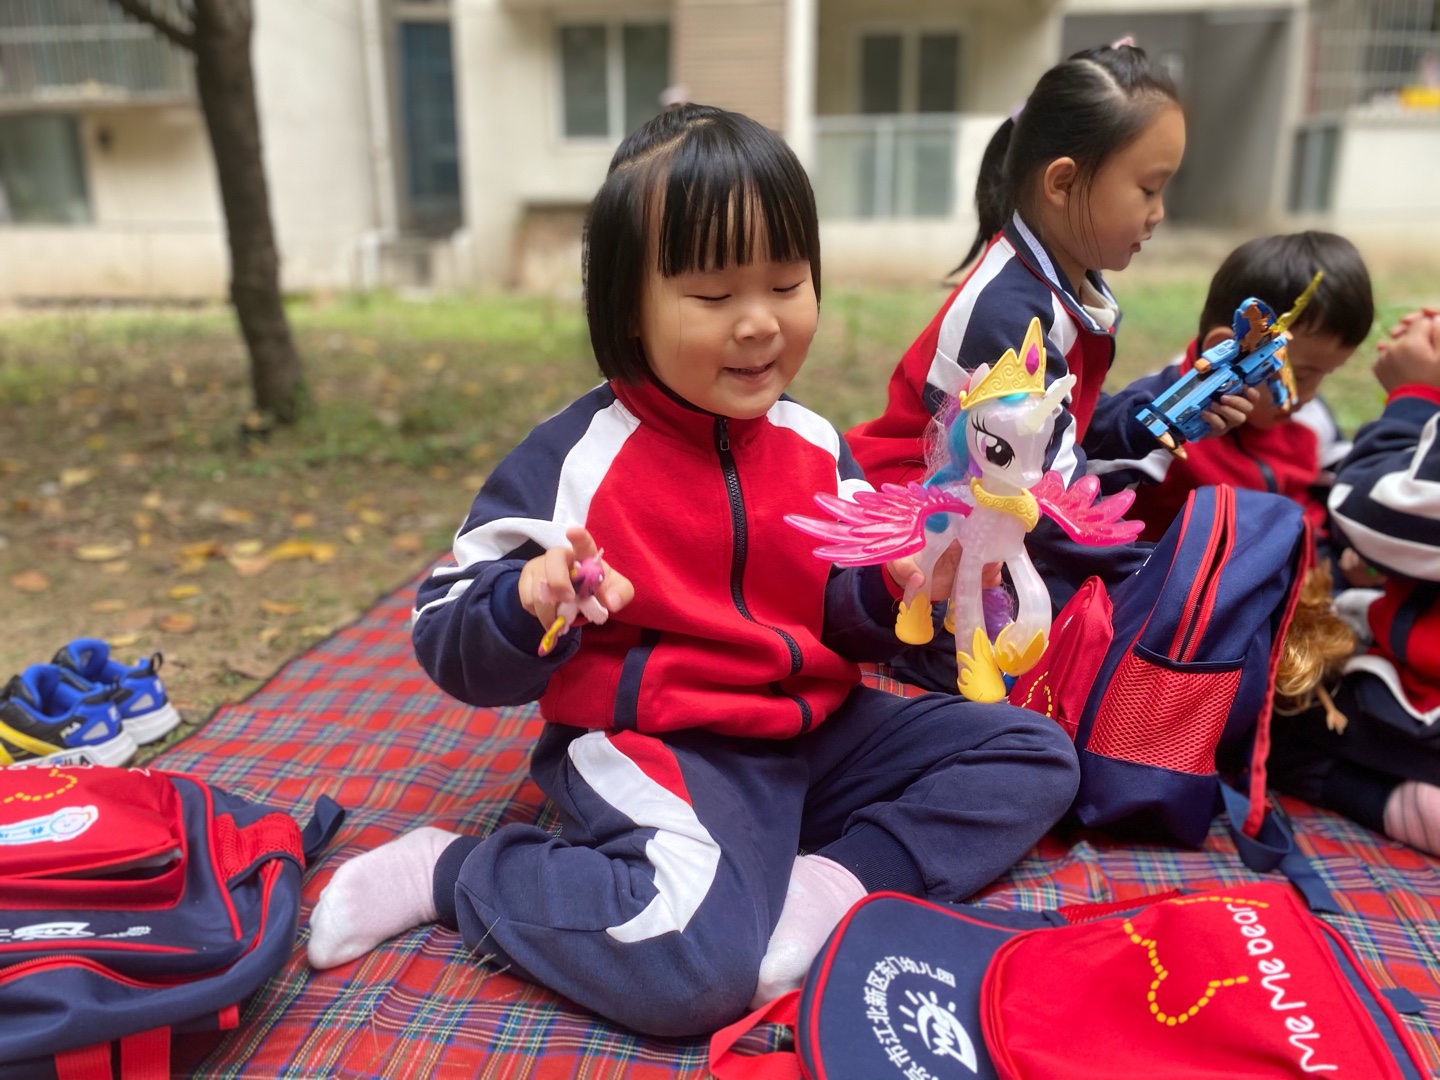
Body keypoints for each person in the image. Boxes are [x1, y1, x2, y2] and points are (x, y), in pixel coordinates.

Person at [305, 104, 1080, 1037]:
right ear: (626, 307)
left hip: (810, 734)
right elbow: (444, 628)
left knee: (1033, 754)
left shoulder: (812, 441)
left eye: (786, 284)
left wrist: (897, 584)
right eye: (713, 297)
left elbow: (840, 605)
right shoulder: (576, 460)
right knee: (695, 973)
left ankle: (834, 881)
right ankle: (453, 870)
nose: (759, 324)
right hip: (667, 744)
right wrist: (526, 600)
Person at [844, 41, 1254, 689]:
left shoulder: (1056, 285)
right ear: (1062, 182)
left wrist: (1167, 409)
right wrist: (1149, 571)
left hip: (998, 512)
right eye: (1148, 188)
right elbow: (1050, 498)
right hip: (929, 536)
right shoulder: (1009, 316)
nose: (1159, 213)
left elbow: (1066, 436)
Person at [1268, 308, 1440, 856]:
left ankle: (1390, 800)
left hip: (1423, 704)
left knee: (1274, 724)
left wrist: (1416, 395)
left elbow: (1373, 511)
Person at [1125, 232, 1374, 547]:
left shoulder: (1310, 416)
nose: (1310, 396)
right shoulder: (1153, 422)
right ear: (1228, 348)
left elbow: (1340, 485)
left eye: (1326, 374)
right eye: (1299, 375)